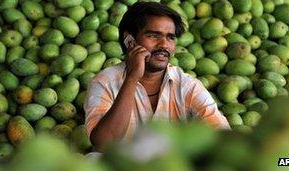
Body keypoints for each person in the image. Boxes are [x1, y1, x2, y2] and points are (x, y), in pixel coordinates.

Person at [84, 2, 230, 152]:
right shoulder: (105, 82)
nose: (164, 45)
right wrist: (132, 78)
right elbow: (103, 143)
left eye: (170, 38)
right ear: (130, 41)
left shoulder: (186, 85)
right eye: (154, 35)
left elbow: (222, 134)